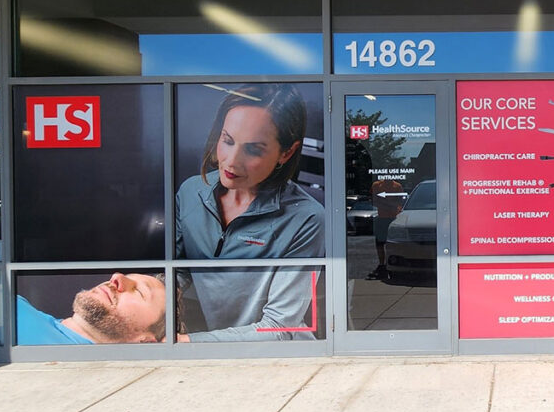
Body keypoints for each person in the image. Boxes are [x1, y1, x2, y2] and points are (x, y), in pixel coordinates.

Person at [175, 84, 325, 341]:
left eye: (254, 149)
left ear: (286, 153)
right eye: (227, 140)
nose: (232, 161)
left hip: (280, 358)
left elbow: (280, 327)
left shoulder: (307, 218)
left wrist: (188, 344)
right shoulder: (191, 192)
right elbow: (178, 271)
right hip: (212, 349)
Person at [17, 273, 166, 345]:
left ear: (146, 340)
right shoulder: (13, 306)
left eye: (139, 292)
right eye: (126, 276)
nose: (117, 277)